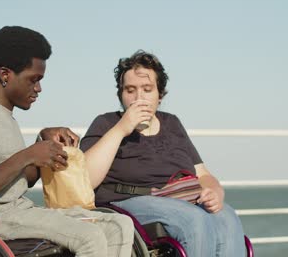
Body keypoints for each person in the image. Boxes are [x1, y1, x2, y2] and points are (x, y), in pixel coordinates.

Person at [0, 26, 134, 257]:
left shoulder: (5, 118)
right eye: (33, 80)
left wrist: (45, 145)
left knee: (118, 225)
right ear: (5, 75)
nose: (39, 88)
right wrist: (29, 154)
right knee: (88, 236)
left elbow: (24, 179)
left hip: (20, 211)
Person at [80, 50, 245, 257]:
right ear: (120, 94)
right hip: (127, 200)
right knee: (193, 219)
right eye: (130, 90)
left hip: (181, 198)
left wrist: (215, 192)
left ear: (160, 95)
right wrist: (122, 128)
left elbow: (203, 174)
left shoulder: (172, 123)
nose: (138, 97)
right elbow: (84, 180)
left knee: (227, 216)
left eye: (147, 89)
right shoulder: (106, 123)